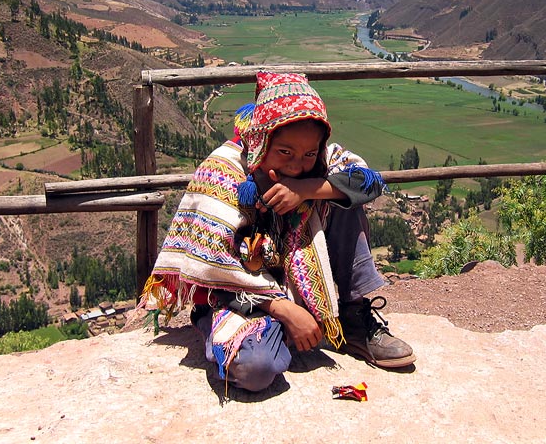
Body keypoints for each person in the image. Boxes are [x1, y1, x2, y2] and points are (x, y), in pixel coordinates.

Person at [139, 71, 414, 392]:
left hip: (289, 287)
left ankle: (352, 317)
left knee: (341, 197)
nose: (298, 164)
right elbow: (218, 270)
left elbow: (368, 182)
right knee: (256, 369)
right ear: (261, 140)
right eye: (285, 152)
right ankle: (212, 322)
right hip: (235, 296)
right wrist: (285, 310)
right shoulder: (225, 172)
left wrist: (307, 187)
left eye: (309, 154)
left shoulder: (319, 162)